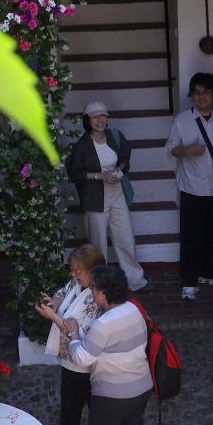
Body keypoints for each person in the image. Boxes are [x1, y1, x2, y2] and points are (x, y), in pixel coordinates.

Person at [68, 264, 150, 425]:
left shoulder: (104, 324)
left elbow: (83, 357)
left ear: (103, 294)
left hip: (111, 395)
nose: (91, 292)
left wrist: (73, 335)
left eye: (93, 288)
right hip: (140, 389)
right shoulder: (135, 310)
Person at [35, 244, 105, 425]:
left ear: (93, 271)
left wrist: (53, 317)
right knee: (68, 414)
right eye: (73, 270)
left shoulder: (97, 297)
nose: (74, 275)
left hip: (92, 368)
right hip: (70, 364)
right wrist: (53, 302)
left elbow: (82, 332)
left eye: (79, 271)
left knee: (99, 416)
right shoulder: (76, 283)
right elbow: (63, 292)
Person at [167, 72, 213, 300]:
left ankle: (208, 273)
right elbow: (170, 149)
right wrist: (187, 151)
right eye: (196, 92)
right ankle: (189, 281)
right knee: (191, 237)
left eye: (206, 92)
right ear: (191, 96)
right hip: (191, 188)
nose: (201, 97)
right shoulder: (181, 120)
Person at [66, 102, 146, 291]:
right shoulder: (82, 145)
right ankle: (100, 284)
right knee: (98, 245)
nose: (100, 120)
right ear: (87, 120)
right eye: (95, 116)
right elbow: (75, 173)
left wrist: (120, 170)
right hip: (95, 199)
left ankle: (134, 280)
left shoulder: (115, 137)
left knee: (125, 238)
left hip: (117, 194)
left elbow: (126, 158)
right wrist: (100, 176)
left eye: (103, 116)